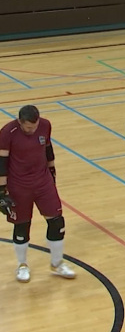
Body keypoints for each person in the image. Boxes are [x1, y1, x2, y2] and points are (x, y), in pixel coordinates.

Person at [0, 105, 75, 283]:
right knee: (22, 225)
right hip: (18, 185)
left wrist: (52, 172)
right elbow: (1, 162)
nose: (31, 130)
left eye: (34, 127)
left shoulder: (45, 125)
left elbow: (48, 148)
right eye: (28, 127)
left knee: (57, 222)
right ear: (20, 122)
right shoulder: (7, 132)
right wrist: (1, 191)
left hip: (43, 181)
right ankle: (22, 265)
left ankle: (57, 263)